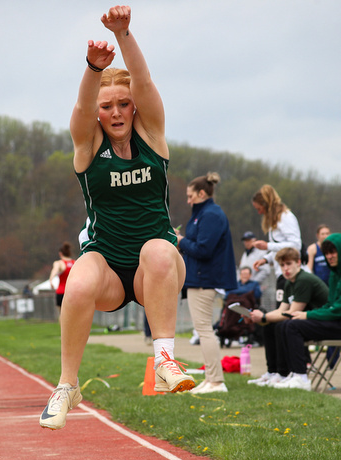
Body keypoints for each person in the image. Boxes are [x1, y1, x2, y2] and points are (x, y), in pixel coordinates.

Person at [40, 6, 193, 430]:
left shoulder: (151, 135)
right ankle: (67, 384)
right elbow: (81, 107)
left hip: (153, 271)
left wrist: (124, 35)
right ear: (99, 114)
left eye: (124, 104)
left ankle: (164, 358)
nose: (118, 112)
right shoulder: (88, 146)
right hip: (108, 263)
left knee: (159, 249)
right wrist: (94, 68)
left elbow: (143, 83)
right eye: (108, 107)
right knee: (79, 278)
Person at [266, 234, 341, 391]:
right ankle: (288, 374)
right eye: (326, 253)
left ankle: (301, 377)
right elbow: (330, 305)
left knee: (292, 326)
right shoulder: (336, 272)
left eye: (333, 252)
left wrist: (308, 315)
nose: (329, 256)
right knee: (283, 325)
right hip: (337, 321)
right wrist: (310, 315)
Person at [177, 172, 237, 394]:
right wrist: (183, 241)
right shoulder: (202, 213)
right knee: (202, 329)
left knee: (204, 330)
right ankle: (211, 378)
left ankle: (217, 381)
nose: (188, 200)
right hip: (198, 277)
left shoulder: (211, 214)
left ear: (202, 193)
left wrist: (181, 241)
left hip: (205, 278)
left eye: (190, 195)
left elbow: (204, 249)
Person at [248, 247, 329, 388]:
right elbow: (282, 310)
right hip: (307, 321)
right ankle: (274, 373)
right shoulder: (288, 282)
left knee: (283, 325)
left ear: (298, 262)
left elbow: (291, 313)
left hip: (324, 323)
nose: (285, 268)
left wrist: (264, 316)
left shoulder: (304, 279)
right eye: (282, 265)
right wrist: (262, 318)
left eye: (289, 264)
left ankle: (288, 373)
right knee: (270, 325)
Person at [251, 185, 302, 308]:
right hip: (281, 274)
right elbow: (280, 247)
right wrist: (266, 259)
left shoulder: (285, 217)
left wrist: (267, 245)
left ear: (266, 204)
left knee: (283, 312)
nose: (259, 212)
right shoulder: (274, 221)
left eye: (259, 208)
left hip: (290, 275)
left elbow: (295, 245)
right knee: (279, 309)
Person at [239, 231, 272, 299]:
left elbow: (266, 270)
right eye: (245, 241)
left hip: (256, 289)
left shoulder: (261, 253)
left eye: (248, 240)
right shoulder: (245, 254)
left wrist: (253, 282)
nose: (246, 243)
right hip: (244, 288)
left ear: (254, 240)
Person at [48, 242, 75, 318]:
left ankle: (64, 330)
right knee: (72, 315)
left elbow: (54, 270)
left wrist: (51, 280)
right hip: (73, 293)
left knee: (62, 315)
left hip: (61, 292)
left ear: (60, 254)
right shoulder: (75, 263)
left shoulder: (59, 263)